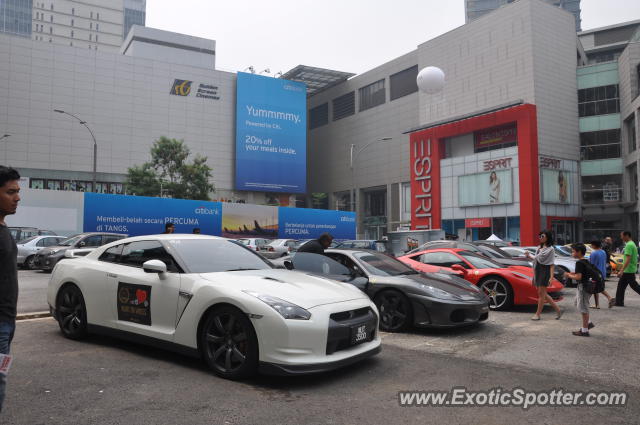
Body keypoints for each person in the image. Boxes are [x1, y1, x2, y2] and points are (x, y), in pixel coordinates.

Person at [0, 166, 21, 412]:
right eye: (10, 192)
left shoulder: (4, 228)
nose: (17, 198)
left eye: (17, 192)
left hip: (7, 322)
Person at [525, 230, 562, 320]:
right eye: (540, 236)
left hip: (544, 271)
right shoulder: (539, 247)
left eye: (542, 236)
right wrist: (528, 255)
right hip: (537, 270)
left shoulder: (551, 249)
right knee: (542, 293)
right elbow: (536, 259)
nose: (540, 238)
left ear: (547, 237)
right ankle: (558, 310)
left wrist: (551, 277)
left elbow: (551, 264)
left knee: (541, 294)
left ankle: (537, 314)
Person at [564, 243, 595, 337]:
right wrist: (574, 273)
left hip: (583, 287)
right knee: (577, 303)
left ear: (579, 252)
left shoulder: (579, 263)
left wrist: (568, 275)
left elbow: (578, 277)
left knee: (583, 308)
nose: (572, 253)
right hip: (587, 286)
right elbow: (583, 273)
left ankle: (585, 331)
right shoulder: (586, 261)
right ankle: (588, 323)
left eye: (573, 251)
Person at [614, 231, 640, 307]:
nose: (621, 237)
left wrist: (621, 270)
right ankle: (619, 302)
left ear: (626, 236)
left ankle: (619, 302)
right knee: (621, 286)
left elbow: (628, 259)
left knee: (634, 285)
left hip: (628, 270)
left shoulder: (629, 245)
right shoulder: (632, 244)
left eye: (622, 236)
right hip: (629, 269)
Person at [588, 240, 615, 309]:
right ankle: (597, 305)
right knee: (595, 288)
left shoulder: (593, 253)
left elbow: (592, 265)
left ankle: (610, 298)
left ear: (594, 245)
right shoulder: (603, 252)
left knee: (599, 288)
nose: (591, 246)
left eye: (591, 245)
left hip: (596, 273)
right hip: (602, 272)